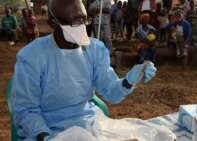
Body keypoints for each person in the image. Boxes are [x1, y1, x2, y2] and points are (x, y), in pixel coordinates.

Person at [11, 0, 157, 141]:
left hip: (88, 124)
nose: (81, 27)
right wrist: (45, 136)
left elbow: (111, 92)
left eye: (83, 20)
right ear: (53, 24)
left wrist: (128, 82)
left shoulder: (94, 49)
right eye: (74, 22)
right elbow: (26, 109)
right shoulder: (33, 56)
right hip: (47, 127)